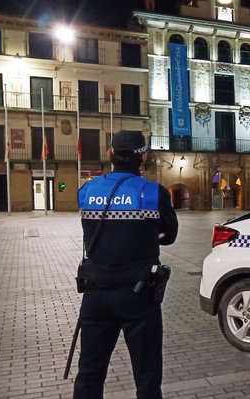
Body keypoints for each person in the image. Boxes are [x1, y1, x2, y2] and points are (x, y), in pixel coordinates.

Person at [73, 130, 178, 399]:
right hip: (138, 295)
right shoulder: (154, 193)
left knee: (89, 373)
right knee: (147, 375)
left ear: (110, 154)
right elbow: (170, 236)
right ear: (143, 157)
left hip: (95, 294)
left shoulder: (86, 191)